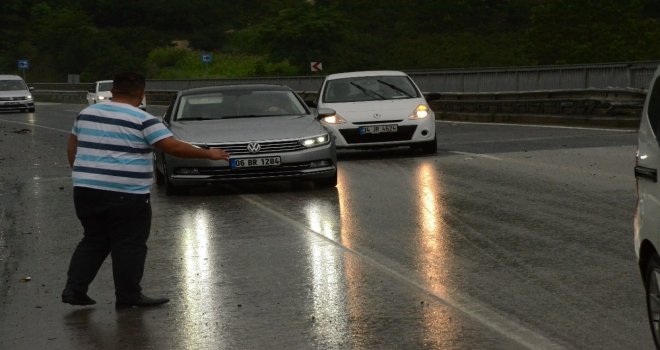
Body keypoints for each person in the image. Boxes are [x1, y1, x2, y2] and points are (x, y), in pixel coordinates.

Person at [61, 72, 229, 309]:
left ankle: (74, 289)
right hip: (126, 193)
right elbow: (171, 146)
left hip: (86, 190)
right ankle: (128, 296)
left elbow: (73, 144)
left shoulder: (86, 114)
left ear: (113, 92)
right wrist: (208, 154)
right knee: (129, 244)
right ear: (141, 94)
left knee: (94, 239)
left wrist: (80, 174)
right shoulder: (143, 118)